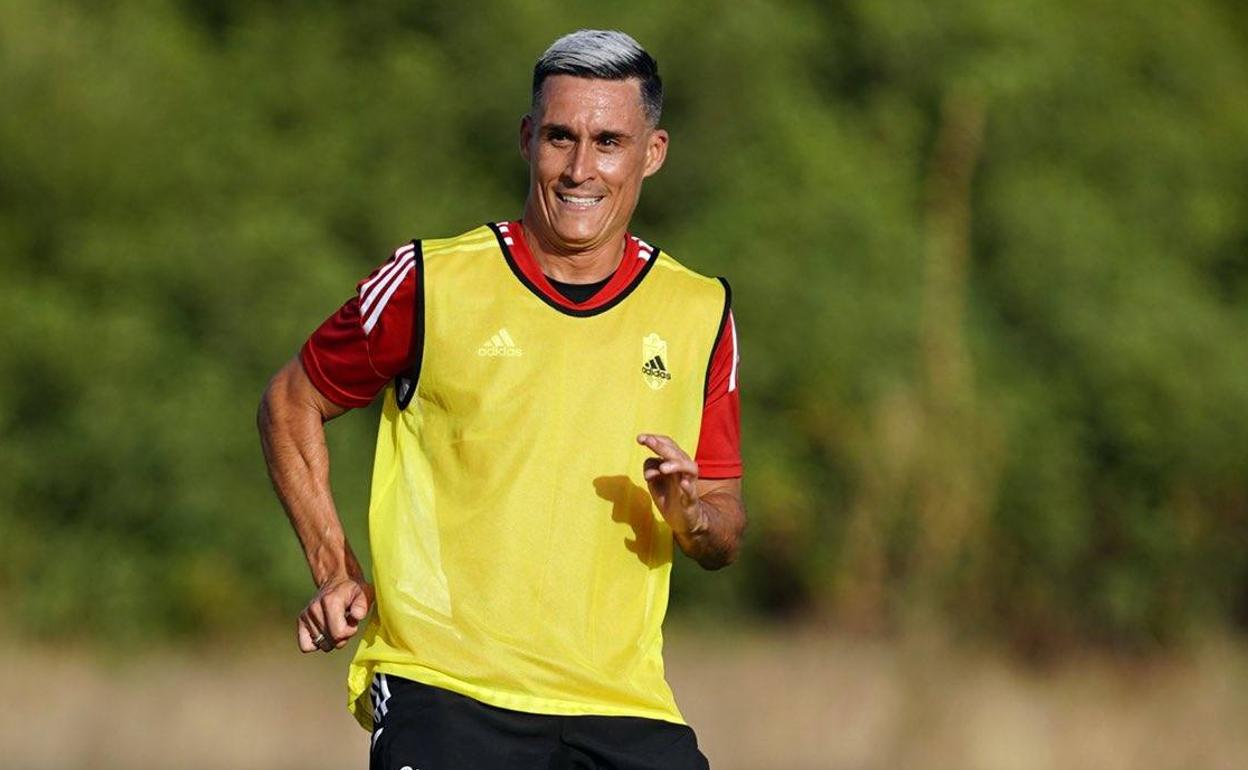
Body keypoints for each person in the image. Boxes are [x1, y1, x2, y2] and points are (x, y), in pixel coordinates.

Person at [258, 29, 746, 770]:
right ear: (527, 139)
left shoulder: (700, 309)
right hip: (447, 691)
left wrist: (694, 517)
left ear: (652, 152)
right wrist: (335, 569)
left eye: (609, 141)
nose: (581, 168)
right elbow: (290, 401)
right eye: (560, 137)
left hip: (621, 704)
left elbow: (726, 522)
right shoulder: (431, 282)